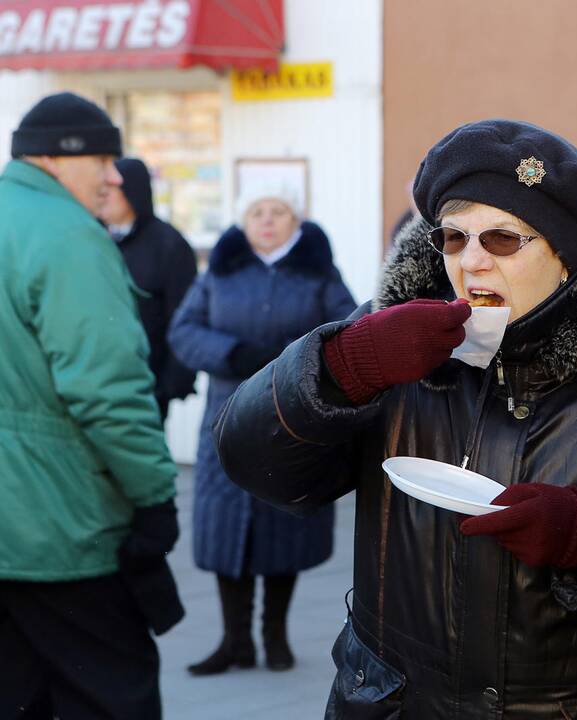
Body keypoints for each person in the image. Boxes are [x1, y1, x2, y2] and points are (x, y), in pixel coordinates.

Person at [214, 119, 577, 717]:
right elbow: (256, 464)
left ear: (566, 256)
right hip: (395, 701)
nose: (471, 260)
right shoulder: (393, 343)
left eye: (501, 238)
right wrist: (344, 365)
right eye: (453, 238)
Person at [0, 92, 181, 719]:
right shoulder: (67, 235)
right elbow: (106, 393)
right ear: (55, 159)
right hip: (59, 527)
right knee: (110, 694)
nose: (114, 177)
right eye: (104, 160)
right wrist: (156, 498)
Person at [168, 183, 356, 675]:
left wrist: (294, 362)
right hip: (226, 419)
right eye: (257, 212)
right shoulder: (220, 272)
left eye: (278, 211)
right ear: (243, 221)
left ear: (296, 220)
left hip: (290, 419)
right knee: (224, 528)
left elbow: (347, 329)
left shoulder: (318, 272)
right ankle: (234, 641)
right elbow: (184, 331)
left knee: (283, 527)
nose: (267, 220)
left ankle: (275, 636)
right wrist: (231, 353)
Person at [99, 157, 198, 421]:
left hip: (147, 385)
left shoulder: (169, 244)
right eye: (101, 190)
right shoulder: (90, 237)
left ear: (133, 192)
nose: (103, 197)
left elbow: (184, 317)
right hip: (93, 381)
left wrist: (169, 385)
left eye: (111, 191)